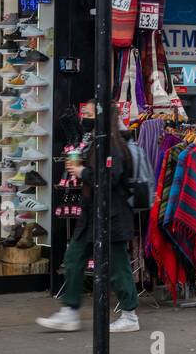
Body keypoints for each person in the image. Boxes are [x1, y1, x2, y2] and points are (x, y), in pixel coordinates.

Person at [37, 127, 139, 333]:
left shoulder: (113, 145)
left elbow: (110, 177)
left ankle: (130, 315)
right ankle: (70, 311)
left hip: (112, 215)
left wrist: (82, 171)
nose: (86, 118)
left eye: (91, 113)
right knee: (74, 258)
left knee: (117, 265)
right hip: (92, 214)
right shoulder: (98, 141)